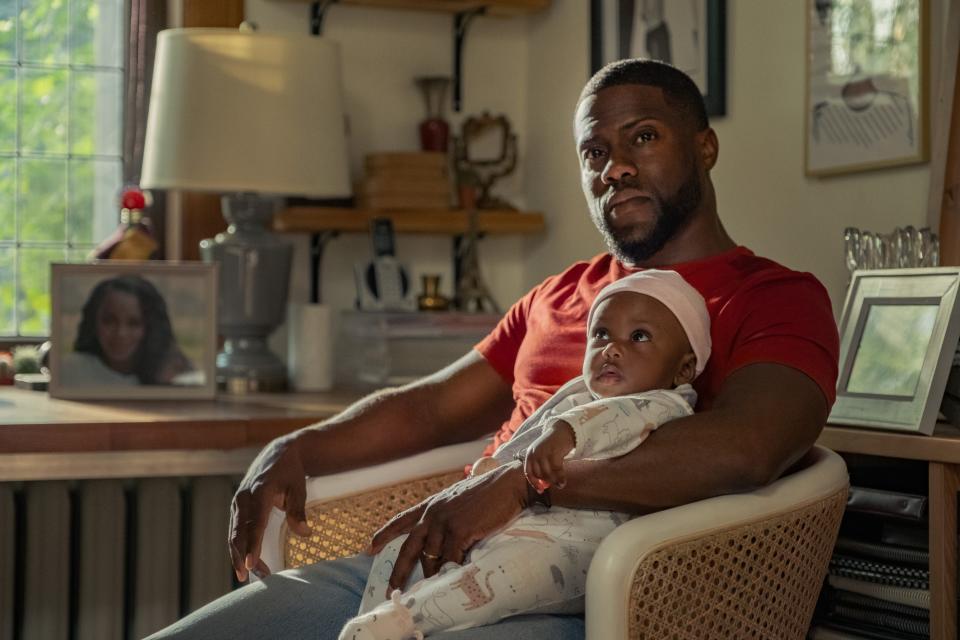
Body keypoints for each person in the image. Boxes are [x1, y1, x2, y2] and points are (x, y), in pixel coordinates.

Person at [148, 58, 839, 640]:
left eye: (644, 138)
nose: (616, 169)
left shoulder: (773, 295)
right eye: (595, 152)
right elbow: (432, 409)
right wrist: (294, 449)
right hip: (432, 561)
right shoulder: (560, 294)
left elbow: (746, 449)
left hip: (594, 595)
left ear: (704, 148)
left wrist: (522, 483)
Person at [340, 269, 711, 639]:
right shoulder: (577, 393)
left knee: (507, 576)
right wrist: (496, 468)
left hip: (575, 547)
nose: (612, 348)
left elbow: (614, 421)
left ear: (683, 368)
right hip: (510, 523)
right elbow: (522, 441)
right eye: (600, 334)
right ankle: (373, 615)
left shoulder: (667, 404)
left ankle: (407, 620)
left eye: (639, 337)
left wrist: (564, 432)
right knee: (398, 547)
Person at [62, 275, 196, 386]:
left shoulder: (174, 371)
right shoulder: (73, 369)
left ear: (150, 327)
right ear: (93, 322)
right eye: (109, 321)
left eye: (134, 323)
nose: (121, 333)